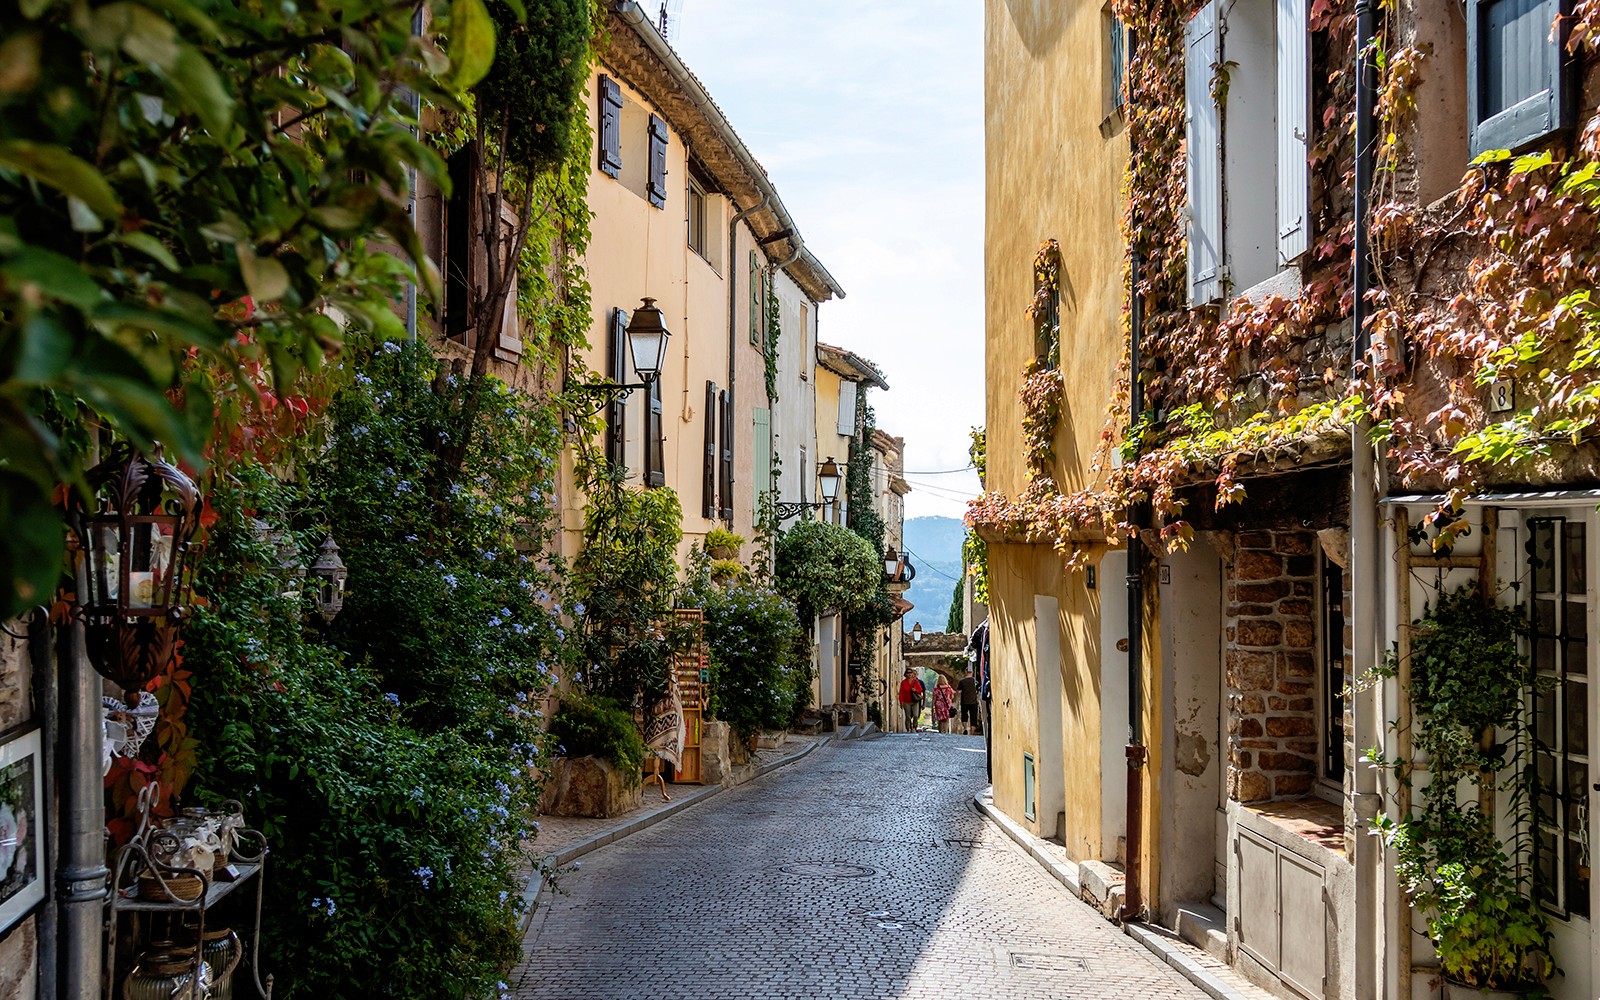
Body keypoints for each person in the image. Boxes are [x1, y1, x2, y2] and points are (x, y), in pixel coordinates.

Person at [896, 665, 924, 732]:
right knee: (908, 716)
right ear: (905, 674)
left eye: (910, 673)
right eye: (908, 673)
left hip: (915, 701)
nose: (909, 674)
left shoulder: (915, 681)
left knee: (915, 715)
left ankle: (914, 727)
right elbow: (901, 693)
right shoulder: (903, 682)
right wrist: (901, 702)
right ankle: (908, 728)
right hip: (906, 701)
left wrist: (915, 690)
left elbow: (920, 690)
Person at [957, 665, 982, 735]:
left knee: (964, 716)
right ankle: (972, 732)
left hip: (964, 701)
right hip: (973, 702)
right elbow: (978, 690)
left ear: (965, 672)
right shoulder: (975, 681)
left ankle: (965, 728)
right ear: (972, 672)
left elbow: (959, 691)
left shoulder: (962, 681)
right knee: (973, 717)